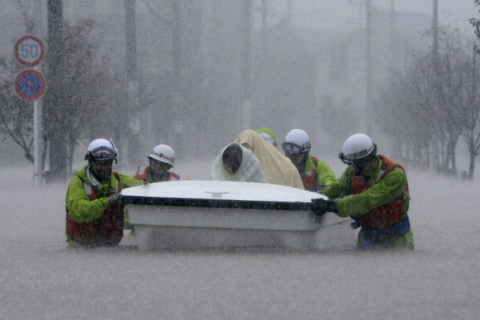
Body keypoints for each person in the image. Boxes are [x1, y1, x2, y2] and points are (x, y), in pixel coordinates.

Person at [311, 133, 414, 250]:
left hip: (396, 239)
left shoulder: (395, 175)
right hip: (368, 234)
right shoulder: (354, 172)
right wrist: (316, 196)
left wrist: (334, 206)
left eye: (353, 164)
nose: (352, 167)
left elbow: (367, 200)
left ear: (365, 162)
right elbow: (338, 187)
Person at [65, 138, 143, 248]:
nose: (104, 168)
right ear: (90, 162)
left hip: (111, 249)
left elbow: (143, 186)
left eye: (107, 163)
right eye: (99, 164)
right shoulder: (77, 183)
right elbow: (80, 211)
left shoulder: (118, 179)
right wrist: (108, 201)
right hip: (79, 249)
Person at [234, 130, 304, 189]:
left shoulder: (287, 170)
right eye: (241, 149)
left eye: (248, 148)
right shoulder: (229, 168)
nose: (246, 153)